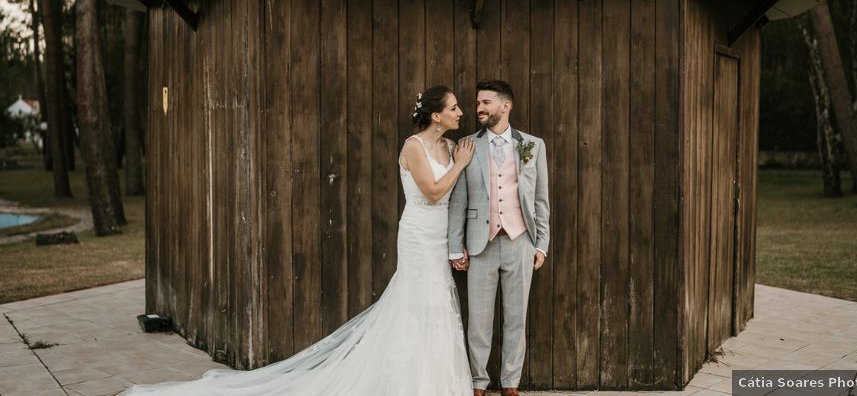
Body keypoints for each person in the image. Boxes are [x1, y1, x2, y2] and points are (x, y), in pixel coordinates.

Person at [122, 85, 476, 395]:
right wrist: (459, 166)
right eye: (454, 107)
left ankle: (437, 381)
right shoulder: (414, 147)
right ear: (436, 115)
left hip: (438, 236)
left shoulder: (449, 145)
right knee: (417, 302)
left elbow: (455, 200)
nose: (461, 112)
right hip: (417, 233)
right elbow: (431, 192)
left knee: (439, 304)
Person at [448, 80, 550, 396]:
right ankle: (478, 383)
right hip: (481, 244)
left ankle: (510, 383)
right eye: (478, 103)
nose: (479, 108)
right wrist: (454, 246)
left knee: (516, 319)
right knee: (479, 321)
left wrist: (542, 244)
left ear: (505, 106)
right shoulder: (467, 144)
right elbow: (458, 200)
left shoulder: (531, 145)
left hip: (521, 242)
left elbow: (540, 199)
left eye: (486, 103)